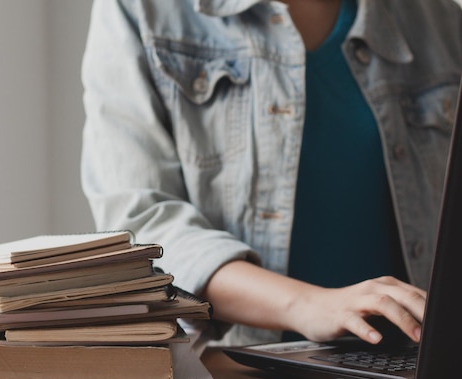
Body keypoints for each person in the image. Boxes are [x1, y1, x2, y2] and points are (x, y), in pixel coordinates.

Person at [80, 0, 462, 347]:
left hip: (416, 376)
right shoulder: (141, 10)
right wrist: (309, 305)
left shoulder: (437, 17)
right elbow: (141, 226)